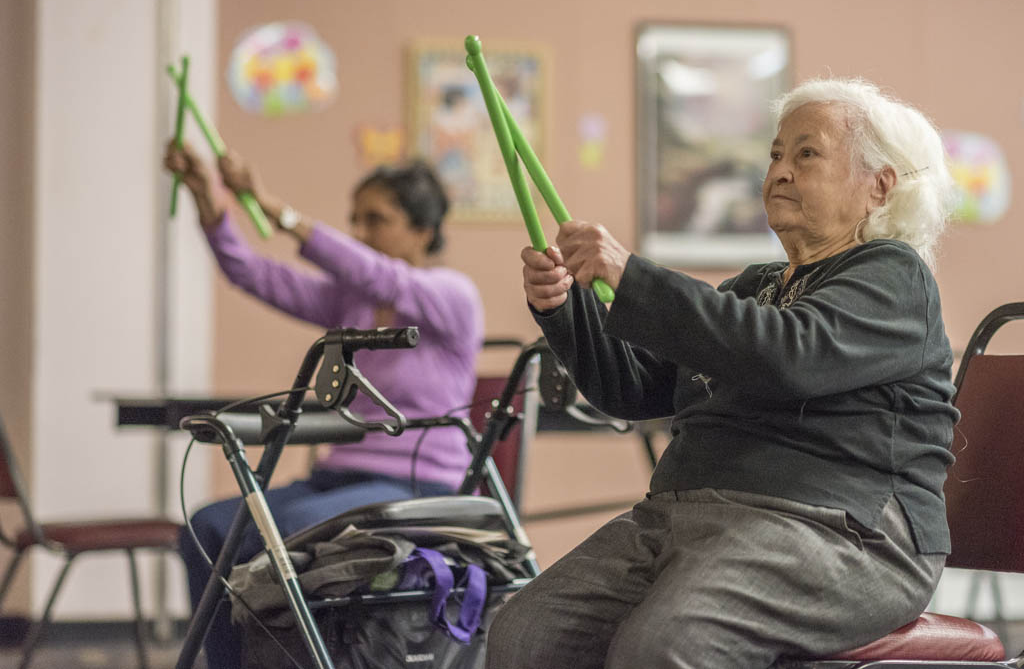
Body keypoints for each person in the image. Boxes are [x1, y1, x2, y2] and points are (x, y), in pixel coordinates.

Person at [488, 78, 960, 668]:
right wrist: (565, 307)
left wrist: (632, 276)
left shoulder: (894, 276)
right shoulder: (755, 285)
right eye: (776, 155)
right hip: (689, 518)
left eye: (806, 154)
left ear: (879, 186)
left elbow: (788, 355)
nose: (780, 171)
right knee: (523, 634)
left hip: (845, 533)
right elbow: (632, 387)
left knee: (663, 648)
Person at [164, 143, 484, 668]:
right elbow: (251, 272)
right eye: (354, 219)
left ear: (424, 231)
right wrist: (208, 195)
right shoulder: (352, 302)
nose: (359, 231)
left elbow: (385, 277)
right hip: (341, 479)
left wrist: (275, 210)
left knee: (287, 535)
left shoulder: (452, 294)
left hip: (416, 484)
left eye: (376, 219)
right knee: (209, 527)